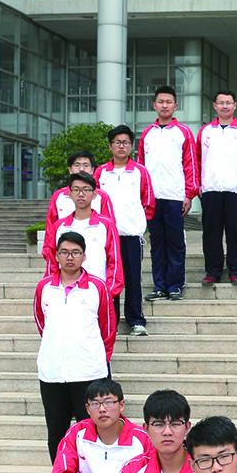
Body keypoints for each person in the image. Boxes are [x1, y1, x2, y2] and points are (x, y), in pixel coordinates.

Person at [34, 231, 117, 462]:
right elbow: (42, 323)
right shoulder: (44, 287)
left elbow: (108, 329)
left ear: (84, 256)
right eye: (64, 252)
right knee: (56, 434)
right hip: (53, 374)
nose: (70, 257)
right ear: (56, 256)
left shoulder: (97, 287)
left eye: (75, 252)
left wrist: (96, 358)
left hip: (88, 372)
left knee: (92, 433)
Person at [135, 85, 198, 301]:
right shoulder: (147, 134)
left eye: (168, 102)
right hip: (152, 199)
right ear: (154, 105)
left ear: (175, 106)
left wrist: (189, 194)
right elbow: (140, 167)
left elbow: (191, 164)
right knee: (157, 242)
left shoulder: (183, 132)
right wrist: (141, 195)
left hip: (174, 196)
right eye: (161, 102)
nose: (164, 105)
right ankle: (160, 285)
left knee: (175, 242)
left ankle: (175, 285)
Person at [96, 126, 156, 336]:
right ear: (110, 145)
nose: (121, 146)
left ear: (132, 146)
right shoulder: (101, 172)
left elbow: (148, 202)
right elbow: (95, 202)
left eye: (126, 142)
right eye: (117, 142)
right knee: (109, 280)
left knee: (133, 280)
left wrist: (138, 223)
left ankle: (136, 320)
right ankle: (111, 322)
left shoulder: (140, 171)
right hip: (107, 238)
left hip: (131, 236)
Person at [196, 90, 237, 285]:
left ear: (235, 105)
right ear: (215, 106)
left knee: (236, 232)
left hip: (234, 188)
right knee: (211, 233)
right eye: (221, 103)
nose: (225, 106)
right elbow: (196, 159)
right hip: (210, 188)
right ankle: (212, 271)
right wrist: (197, 184)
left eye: (228, 103)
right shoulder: (205, 131)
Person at [43, 172, 123, 297]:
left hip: (98, 292)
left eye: (86, 190)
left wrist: (108, 292)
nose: (81, 194)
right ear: (69, 194)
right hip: (64, 292)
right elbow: (52, 261)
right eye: (76, 190)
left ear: (94, 194)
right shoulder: (59, 226)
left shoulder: (106, 225)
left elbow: (115, 260)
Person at [46, 151, 114, 227]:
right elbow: (51, 226)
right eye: (77, 165)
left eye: (86, 165)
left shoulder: (101, 196)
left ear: (92, 170)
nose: (81, 169)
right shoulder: (58, 196)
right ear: (70, 170)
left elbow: (109, 225)